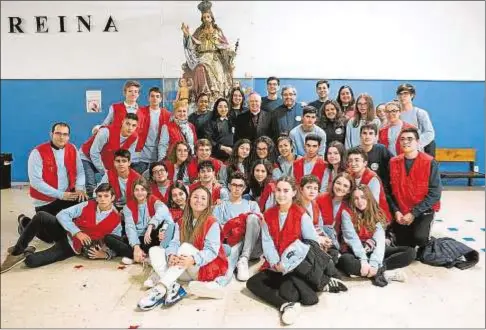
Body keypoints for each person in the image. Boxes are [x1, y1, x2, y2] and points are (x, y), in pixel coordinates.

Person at [246, 176, 346, 326]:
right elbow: (267, 242)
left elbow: (311, 243)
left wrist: (286, 263)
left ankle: (320, 282)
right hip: (276, 265)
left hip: (297, 265)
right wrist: (275, 263)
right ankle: (287, 305)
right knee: (252, 283)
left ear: (294, 192)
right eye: (278, 190)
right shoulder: (268, 214)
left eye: (286, 190)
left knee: (290, 293)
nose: (281, 194)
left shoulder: (301, 214)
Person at [137, 186, 229, 310]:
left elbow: (211, 252)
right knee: (154, 250)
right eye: (195, 197)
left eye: (203, 198)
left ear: (208, 203)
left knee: (185, 247)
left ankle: (161, 288)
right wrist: (171, 255)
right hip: (182, 267)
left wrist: (193, 259)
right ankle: (173, 287)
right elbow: (174, 243)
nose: (198, 200)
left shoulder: (212, 222)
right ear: (190, 199)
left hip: (203, 268)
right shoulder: (181, 221)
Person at [1, 183, 121, 273]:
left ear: (113, 198)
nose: (102, 199)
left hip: (70, 247)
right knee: (41, 216)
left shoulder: (116, 220)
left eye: (106, 196)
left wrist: (105, 255)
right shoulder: (87, 204)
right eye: (99, 196)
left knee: (31, 262)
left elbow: (116, 243)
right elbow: (62, 214)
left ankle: (28, 244)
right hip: (64, 231)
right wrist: (77, 232)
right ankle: (17, 251)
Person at [337, 185, 415, 286]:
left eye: (363, 197)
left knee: (410, 252)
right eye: (356, 198)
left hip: (372, 248)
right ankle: (383, 273)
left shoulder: (377, 212)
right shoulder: (346, 213)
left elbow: (379, 240)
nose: (360, 201)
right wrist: (363, 260)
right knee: (345, 262)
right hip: (355, 251)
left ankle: (378, 269)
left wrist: (374, 262)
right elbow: (352, 238)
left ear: (368, 197)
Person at [18, 122, 87, 236]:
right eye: (58, 133)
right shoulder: (37, 152)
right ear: (51, 134)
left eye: (65, 134)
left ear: (68, 136)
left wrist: (79, 188)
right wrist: (60, 194)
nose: (61, 137)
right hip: (45, 202)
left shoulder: (72, 148)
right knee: (51, 237)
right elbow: (36, 182)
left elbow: (80, 171)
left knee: (85, 204)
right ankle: (25, 221)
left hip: (67, 196)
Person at [389, 127, 442, 248]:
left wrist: (413, 213)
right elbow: (389, 191)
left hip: (423, 210)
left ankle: (427, 235)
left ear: (417, 141)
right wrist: (396, 211)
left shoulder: (429, 162)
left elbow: (435, 193)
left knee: (420, 239)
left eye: (409, 139)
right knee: (403, 243)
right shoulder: (393, 162)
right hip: (402, 211)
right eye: (402, 139)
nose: (405, 141)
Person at [105, 177, 176, 265]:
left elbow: (164, 211)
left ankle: (137, 257)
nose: (139, 193)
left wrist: (150, 226)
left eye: (142, 189)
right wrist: (136, 246)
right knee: (108, 238)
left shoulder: (153, 200)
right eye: (137, 190)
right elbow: (130, 228)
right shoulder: (128, 207)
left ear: (147, 191)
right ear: (133, 191)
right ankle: (142, 257)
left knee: (169, 226)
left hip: (151, 237)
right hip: (137, 239)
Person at [181, 1, 235, 101]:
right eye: (204, 17)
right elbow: (191, 44)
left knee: (219, 76)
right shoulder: (199, 31)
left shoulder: (217, 31)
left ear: (211, 18)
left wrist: (223, 48)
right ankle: (203, 94)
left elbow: (225, 44)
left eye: (208, 17)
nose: (206, 19)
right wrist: (186, 35)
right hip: (202, 57)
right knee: (200, 68)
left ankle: (217, 97)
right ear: (202, 18)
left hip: (215, 58)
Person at [213, 172, 262, 281]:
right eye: (234, 185)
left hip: (254, 248)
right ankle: (225, 276)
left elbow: (260, 227)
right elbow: (216, 228)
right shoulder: (220, 206)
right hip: (230, 246)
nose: (237, 188)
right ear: (229, 186)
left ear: (244, 188)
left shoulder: (252, 205)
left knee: (253, 218)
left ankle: (243, 259)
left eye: (240, 186)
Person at [80, 114, 139, 196]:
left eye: (134, 125)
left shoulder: (134, 137)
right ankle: (91, 206)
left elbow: (127, 157)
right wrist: (105, 172)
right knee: (91, 186)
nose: (130, 128)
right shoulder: (106, 132)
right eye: (127, 124)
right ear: (122, 122)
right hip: (87, 156)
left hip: (106, 159)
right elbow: (94, 153)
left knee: (110, 185)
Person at [296, 175, 340, 260]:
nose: (312, 191)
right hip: (303, 242)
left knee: (334, 254)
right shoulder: (296, 206)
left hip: (316, 239)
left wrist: (325, 238)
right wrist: (318, 239)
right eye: (309, 187)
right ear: (301, 189)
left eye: (315, 188)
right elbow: (300, 232)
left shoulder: (314, 205)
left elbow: (319, 226)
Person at [132, 87, 171, 174]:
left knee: (153, 184)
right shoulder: (140, 112)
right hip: (141, 157)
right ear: (148, 98)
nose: (154, 99)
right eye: (152, 96)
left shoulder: (167, 115)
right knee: (137, 183)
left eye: (157, 96)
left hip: (157, 157)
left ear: (161, 99)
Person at [346, 147, 392, 222]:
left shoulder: (372, 178)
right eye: (350, 161)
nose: (353, 164)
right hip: (358, 214)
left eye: (357, 160)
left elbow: (373, 206)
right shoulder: (350, 175)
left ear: (365, 163)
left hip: (376, 217)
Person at [316, 172, 356, 252]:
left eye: (345, 186)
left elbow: (349, 233)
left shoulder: (350, 207)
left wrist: (342, 250)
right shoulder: (320, 198)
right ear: (333, 184)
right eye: (338, 183)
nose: (340, 188)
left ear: (349, 190)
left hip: (338, 247)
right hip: (319, 241)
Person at [396, 83, 436, 157]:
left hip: (416, 153)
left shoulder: (420, 113)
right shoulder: (395, 114)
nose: (402, 97)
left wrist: (414, 145)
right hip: (398, 153)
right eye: (400, 94)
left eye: (405, 94)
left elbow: (430, 133)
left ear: (412, 95)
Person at [359, 124, 393, 193]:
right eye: (364, 133)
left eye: (371, 133)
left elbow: (394, 164)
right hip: (361, 191)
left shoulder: (381, 149)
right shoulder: (355, 152)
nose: (367, 136)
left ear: (375, 136)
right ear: (360, 135)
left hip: (381, 190)